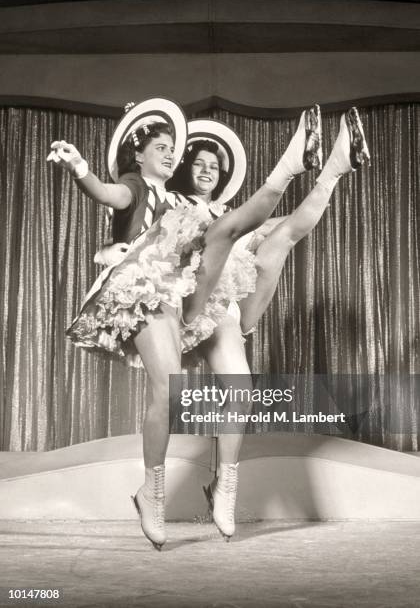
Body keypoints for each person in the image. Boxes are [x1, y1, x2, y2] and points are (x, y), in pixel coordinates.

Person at [48, 97, 322, 550]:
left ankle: (293, 166)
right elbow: (106, 194)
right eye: (160, 146)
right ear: (138, 155)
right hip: (142, 287)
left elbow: (232, 230)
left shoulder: (180, 201)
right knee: (166, 388)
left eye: (172, 148)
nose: (170, 153)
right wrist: (79, 167)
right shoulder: (134, 185)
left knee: (203, 380)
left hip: (178, 290)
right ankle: (151, 492)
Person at [168, 106, 370, 540]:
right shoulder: (176, 205)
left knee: (284, 237)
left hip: (230, 310)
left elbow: (294, 224)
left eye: (213, 167)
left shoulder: (225, 212)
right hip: (193, 304)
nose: (206, 171)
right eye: (199, 164)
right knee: (258, 230)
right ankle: (295, 163)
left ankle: (335, 168)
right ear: (186, 171)